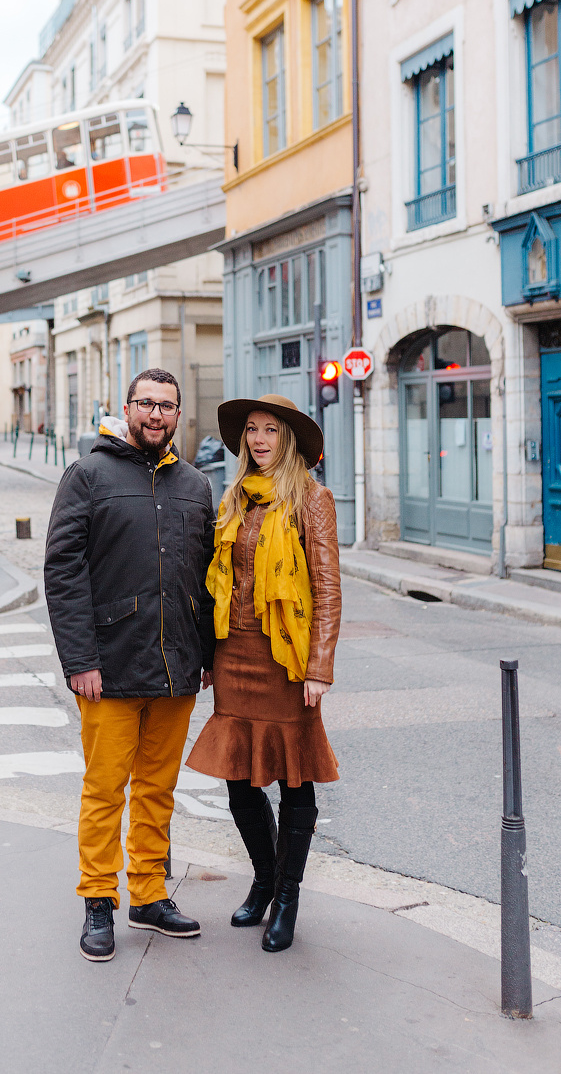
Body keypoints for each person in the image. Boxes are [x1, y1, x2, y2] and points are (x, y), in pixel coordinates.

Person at [44, 368, 216, 963]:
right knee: (104, 790)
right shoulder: (88, 475)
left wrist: (207, 655)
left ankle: (147, 894)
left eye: (167, 406)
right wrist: (79, 660)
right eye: (147, 403)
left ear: (177, 415)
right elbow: (62, 573)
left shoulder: (196, 485)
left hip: (177, 668)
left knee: (158, 790)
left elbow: (206, 577)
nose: (157, 414)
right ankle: (98, 898)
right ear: (127, 408)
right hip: (109, 668)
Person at [186, 394, 341, 953]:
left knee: (294, 779)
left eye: (270, 430)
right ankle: (263, 880)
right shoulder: (233, 500)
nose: (258, 439)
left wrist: (318, 667)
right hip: (235, 658)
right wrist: (207, 656)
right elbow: (215, 585)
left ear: (288, 439)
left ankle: (288, 899)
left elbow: (326, 587)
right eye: (251, 430)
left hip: (286, 661)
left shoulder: (311, 500)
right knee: (240, 781)